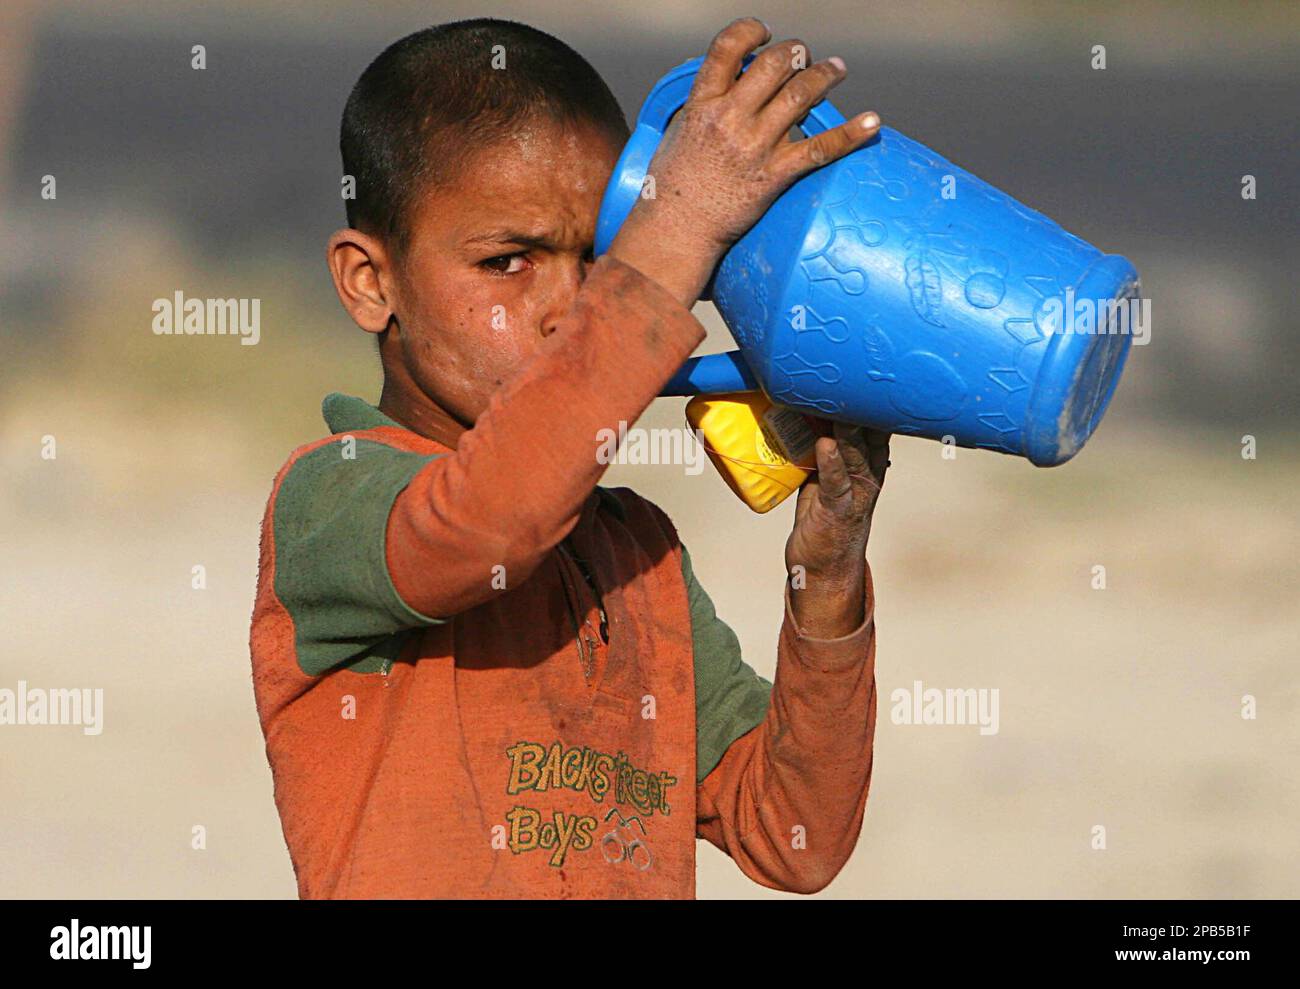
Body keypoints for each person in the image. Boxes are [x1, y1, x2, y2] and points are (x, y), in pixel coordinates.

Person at [249, 15, 890, 898]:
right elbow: (488, 525)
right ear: (372, 281)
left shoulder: (638, 554)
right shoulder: (336, 494)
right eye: (508, 261)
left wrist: (826, 582)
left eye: (597, 260)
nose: (564, 308)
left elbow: (796, 834)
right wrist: (674, 236)